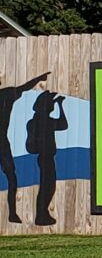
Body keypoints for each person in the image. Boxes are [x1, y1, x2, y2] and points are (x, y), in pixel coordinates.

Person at [0, 71, 48, 224]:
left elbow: (24, 88)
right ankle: (12, 213)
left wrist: (39, 78)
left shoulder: (7, 94)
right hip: (2, 142)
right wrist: (39, 78)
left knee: (12, 177)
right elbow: (24, 88)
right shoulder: (7, 94)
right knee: (11, 178)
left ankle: (12, 213)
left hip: (2, 142)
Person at [26, 90, 67, 226]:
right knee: (47, 187)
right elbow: (63, 124)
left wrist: (56, 103)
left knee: (47, 187)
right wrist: (60, 105)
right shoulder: (46, 121)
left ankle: (42, 214)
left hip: (44, 157)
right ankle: (41, 215)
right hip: (46, 158)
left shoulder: (34, 121)